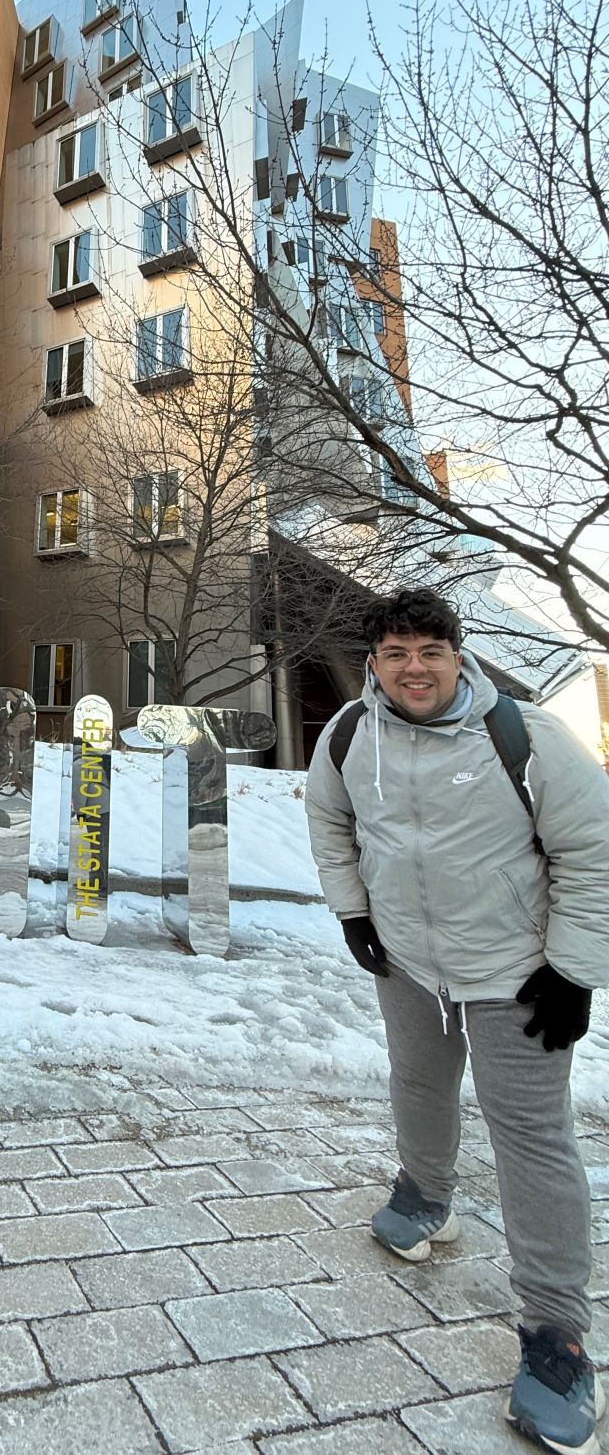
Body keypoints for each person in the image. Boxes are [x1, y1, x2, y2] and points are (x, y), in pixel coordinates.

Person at [305, 587, 609, 1455]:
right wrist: (353, 912)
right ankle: (427, 1194)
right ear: (374, 660)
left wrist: (575, 972)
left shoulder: (525, 734)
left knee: (532, 1135)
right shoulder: (348, 735)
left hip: (517, 971)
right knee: (418, 1080)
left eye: (429, 652)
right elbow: (329, 821)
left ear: (457, 655)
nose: (413, 669)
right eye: (396, 653)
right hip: (408, 959)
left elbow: (593, 848)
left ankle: (557, 1336)